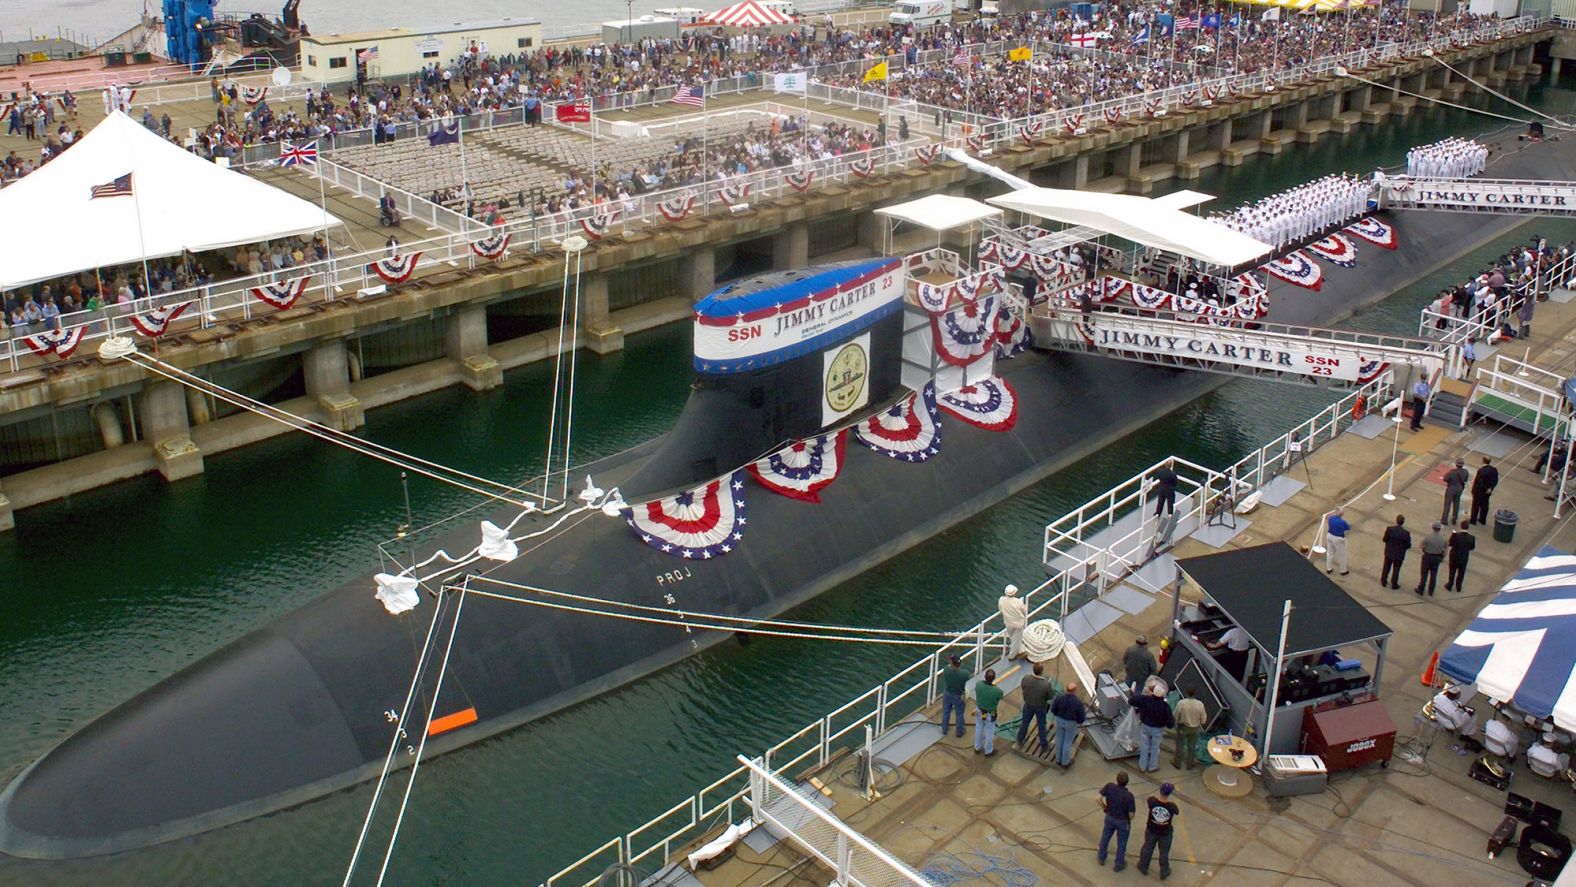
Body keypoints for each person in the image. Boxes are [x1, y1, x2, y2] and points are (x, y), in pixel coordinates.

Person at [1129, 682, 1175, 773]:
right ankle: (1152, 766)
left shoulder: (1146, 699)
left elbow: (1131, 700)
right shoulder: (1165, 706)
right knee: (1155, 747)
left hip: (1145, 726)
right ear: (1162, 695)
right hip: (1158, 729)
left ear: (1153, 692)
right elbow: (1170, 722)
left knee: (1144, 746)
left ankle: (1142, 766)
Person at [1137, 783, 1179, 880]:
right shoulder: (1172, 807)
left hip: (1151, 830)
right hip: (1165, 833)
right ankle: (1164, 872)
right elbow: (1177, 812)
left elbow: (1149, 800)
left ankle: (1143, 866)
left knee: (1147, 848)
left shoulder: (1152, 801)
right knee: (1164, 853)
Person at [1097, 771, 1136, 871]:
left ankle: (1101, 857)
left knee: (1105, 837)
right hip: (1122, 821)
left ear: (1117, 780)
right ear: (1127, 782)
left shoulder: (1109, 786)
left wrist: (1105, 808)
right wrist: (1127, 819)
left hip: (1110, 817)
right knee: (1122, 843)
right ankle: (1119, 864)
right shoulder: (1129, 796)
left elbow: (1097, 798)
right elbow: (1131, 814)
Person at [1016, 662, 1051, 754]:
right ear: (1041, 671)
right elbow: (1050, 696)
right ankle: (1044, 746)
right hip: (1040, 706)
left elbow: (1023, 687)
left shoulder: (1026, 678)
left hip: (1028, 704)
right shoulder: (1046, 684)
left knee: (1025, 722)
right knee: (1041, 725)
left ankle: (1019, 740)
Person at [1050, 681, 1086, 767]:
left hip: (1059, 719)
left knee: (1059, 739)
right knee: (1067, 742)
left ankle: (1058, 759)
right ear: (1074, 691)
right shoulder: (1078, 703)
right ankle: (1065, 762)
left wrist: (1057, 715)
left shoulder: (1059, 698)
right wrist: (1079, 721)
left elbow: (1053, 709)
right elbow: (1081, 716)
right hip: (1071, 723)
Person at [1172, 687, 1207, 770]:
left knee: (1180, 745)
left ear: (1186, 693)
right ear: (1195, 693)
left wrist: (1177, 723)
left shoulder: (1181, 703)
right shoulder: (1200, 704)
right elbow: (1203, 720)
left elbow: (1176, 715)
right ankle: (1190, 764)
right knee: (1192, 746)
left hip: (1183, 727)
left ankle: (1177, 763)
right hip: (1195, 728)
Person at [973, 668, 1003, 756]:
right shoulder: (997, 691)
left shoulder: (978, 685)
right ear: (994, 678)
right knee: (989, 731)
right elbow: (1000, 696)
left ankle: (977, 747)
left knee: (979, 728)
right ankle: (988, 751)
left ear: (985, 676)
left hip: (979, 710)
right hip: (991, 713)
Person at [939, 654, 969, 738]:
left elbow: (947, 667)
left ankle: (944, 729)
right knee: (959, 714)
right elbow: (967, 676)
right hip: (958, 696)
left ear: (952, 663)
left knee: (946, 711)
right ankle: (959, 732)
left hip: (948, 694)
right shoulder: (964, 674)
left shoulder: (946, 670)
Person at [1416, 521, 1447, 596]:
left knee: (1424, 574)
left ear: (1433, 528)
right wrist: (1442, 558)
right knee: (1434, 574)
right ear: (1439, 529)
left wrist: (1426, 548)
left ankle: (1421, 589)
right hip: (1437, 557)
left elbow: (1421, 546)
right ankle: (1431, 590)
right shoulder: (1443, 539)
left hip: (1427, 556)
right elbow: (1445, 550)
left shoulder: (1428, 537)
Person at [1381, 515, 1411, 590]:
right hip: (1399, 554)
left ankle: (1383, 581)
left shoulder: (1389, 529)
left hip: (1389, 552)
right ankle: (1394, 584)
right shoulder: (1406, 533)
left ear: (1396, 520)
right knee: (1396, 569)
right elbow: (1408, 545)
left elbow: (1385, 539)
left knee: (1386, 567)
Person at [998, 584, 1028, 661]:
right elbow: (1025, 610)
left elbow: (1000, 609)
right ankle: (1012, 656)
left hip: (1008, 623)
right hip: (1018, 624)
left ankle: (1021, 650)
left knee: (1014, 638)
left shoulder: (1001, 600)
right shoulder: (1018, 602)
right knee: (1016, 638)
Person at [1446, 520, 1475, 592]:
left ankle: (1450, 584)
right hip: (1464, 557)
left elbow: (1450, 544)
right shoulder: (1471, 538)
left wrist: (1453, 535)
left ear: (1461, 526)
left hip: (1454, 556)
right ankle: (1458, 586)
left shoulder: (1456, 535)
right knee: (1461, 572)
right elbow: (1472, 547)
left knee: (1452, 571)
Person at [1470, 456, 1499, 526]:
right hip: (1487, 492)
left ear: (1483, 461)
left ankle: (1473, 520)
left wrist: (1474, 490)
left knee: (1475, 506)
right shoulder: (1494, 470)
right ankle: (1482, 520)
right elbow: (1495, 480)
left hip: (1479, 491)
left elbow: (1479, 482)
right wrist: (1490, 488)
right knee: (1485, 505)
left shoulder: (1481, 470)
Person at [1442, 458, 1469, 525]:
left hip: (1451, 488)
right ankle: (1454, 519)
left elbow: (1445, 479)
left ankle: (1444, 520)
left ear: (1456, 464)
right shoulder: (1465, 472)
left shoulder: (1452, 472)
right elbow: (1465, 480)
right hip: (1460, 489)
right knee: (1456, 504)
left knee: (1447, 504)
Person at [1324, 507, 1350, 575]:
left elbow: (1327, 519)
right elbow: (1348, 528)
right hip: (1338, 538)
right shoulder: (1342, 522)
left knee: (1329, 552)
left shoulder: (1331, 518)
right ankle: (1343, 570)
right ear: (1342, 514)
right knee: (1342, 555)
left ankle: (1329, 568)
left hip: (1329, 535)